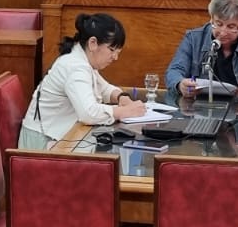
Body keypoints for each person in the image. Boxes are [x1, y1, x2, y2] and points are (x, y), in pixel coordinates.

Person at [20, 13, 146, 148]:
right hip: (42, 142)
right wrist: (125, 112)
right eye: (112, 50)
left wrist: (122, 97)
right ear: (93, 43)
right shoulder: (75, 66)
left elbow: (104, 88)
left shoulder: (83, 59)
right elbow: (88, 113)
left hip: (63, 136)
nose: (115, 57)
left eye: (118, 52)